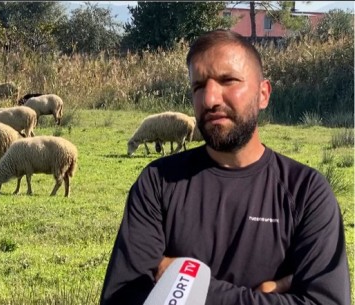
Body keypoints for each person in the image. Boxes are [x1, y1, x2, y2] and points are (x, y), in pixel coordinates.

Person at [100, 29, 351, 304]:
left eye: (228, 80)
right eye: (198, 87)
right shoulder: (158, 183)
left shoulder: (306, 192)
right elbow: (122, 297)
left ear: (263, 94)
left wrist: (186, 282)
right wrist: (263, 297)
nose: (209, 100)